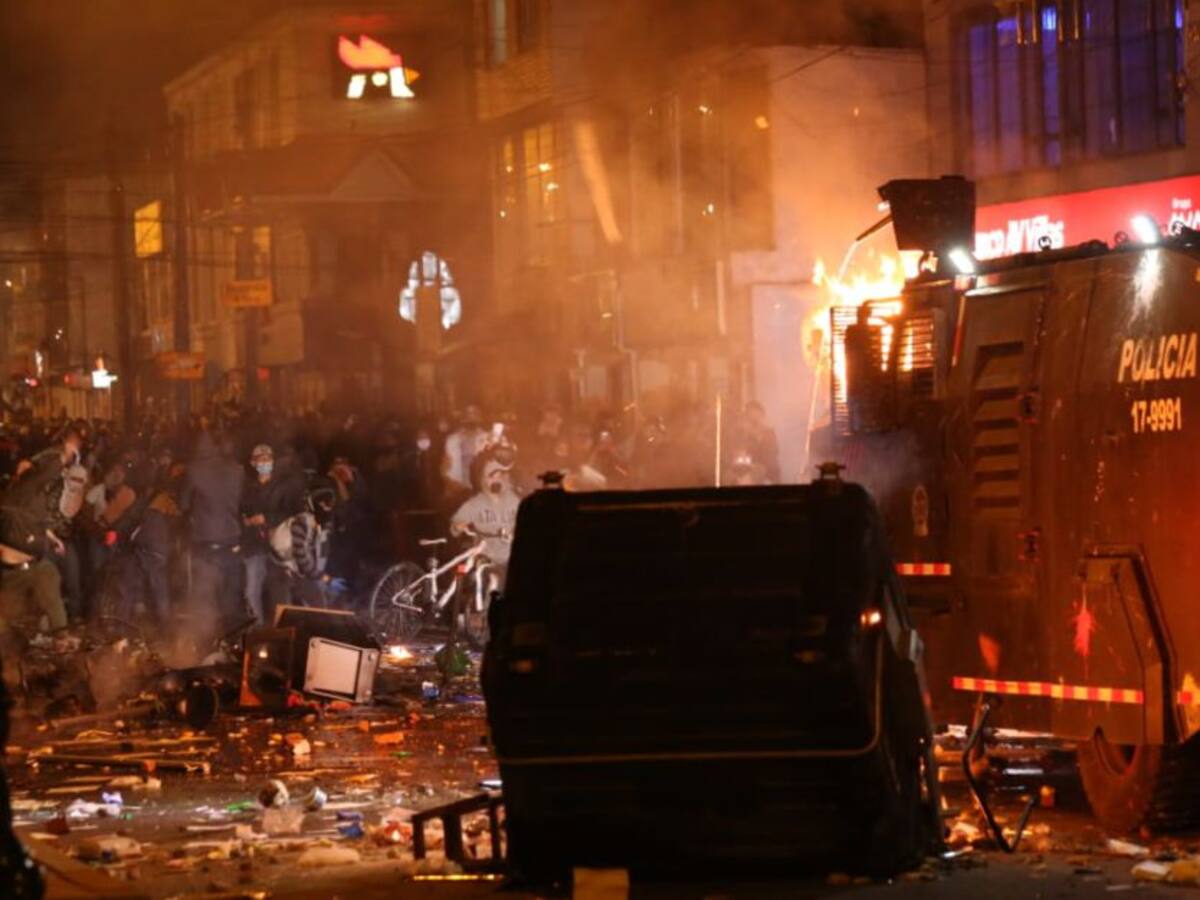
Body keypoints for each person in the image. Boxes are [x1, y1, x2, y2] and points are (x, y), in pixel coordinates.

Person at [181, 432, 245, 637]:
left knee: (204, 593)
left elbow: (183, 503)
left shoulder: (194, 470)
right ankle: (233, 640)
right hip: (232, 539)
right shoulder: (237, 470)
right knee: (230, 594)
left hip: (205, 540)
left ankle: (206, 639)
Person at [239, 445, 303, 623]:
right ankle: (257, 631)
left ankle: (284, 630)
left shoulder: (283, 486)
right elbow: (242, 512)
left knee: (280, 593)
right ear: (253, 463)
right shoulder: (248, 487)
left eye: (268, 458)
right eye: (260, 459)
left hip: (278, 547)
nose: (264, 462)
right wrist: (247, 522)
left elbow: (293, 513)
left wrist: (267, 518)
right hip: (255, 545)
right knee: (251, 590)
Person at [266, 477, 339, 610]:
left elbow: (321, 556)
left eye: (330, 505)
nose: (327, 508)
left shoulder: (324, 525)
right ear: (314, 504)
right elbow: (302, 559)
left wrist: (322, 581)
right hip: (280, 569)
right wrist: (325, 579)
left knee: (319, 607)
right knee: (284, 612)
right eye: (323, 504)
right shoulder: (301, 523)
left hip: (300, 571)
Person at [450, 456, 519, 580]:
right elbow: (456, 523)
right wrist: (459, 525)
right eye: (492, 476)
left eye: (499, 476)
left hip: (510, 556)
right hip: (485, 555)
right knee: (485, 578)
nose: (496, 480)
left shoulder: (514, 500)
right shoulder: (475, 504)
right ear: (483, 479)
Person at [441, 405, 488, 507]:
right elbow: (444, 469)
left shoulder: (488, 439)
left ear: (480, 418)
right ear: (462, 419)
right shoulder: (452, 440)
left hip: (482, 491)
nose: (471, 419)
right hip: (458, 491)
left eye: (474, 415)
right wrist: (452, 485)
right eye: (468, 415)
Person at [738, 401, 781, 483]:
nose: (754, 422)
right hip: (748, 479)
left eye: (757, 417)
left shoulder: (769, 436)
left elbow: (769, 463)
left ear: (763, 418)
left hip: (769, 480)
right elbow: (741, 464)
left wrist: (759, 436)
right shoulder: (743, 438)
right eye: (750, 418)